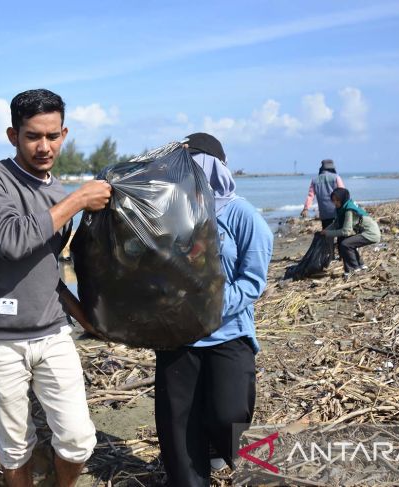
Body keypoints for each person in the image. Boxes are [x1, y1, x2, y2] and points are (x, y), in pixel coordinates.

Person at [0, 88, 111, 486]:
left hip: (52, 333)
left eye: (52, 135)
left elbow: (48, 271)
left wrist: (87, 319)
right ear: (14, 136)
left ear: (64, 133)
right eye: (33, 136)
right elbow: (13, 241)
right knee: (15, 444)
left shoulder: (58, 193)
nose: (44, 146)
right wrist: (79, 199)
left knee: (79, 439)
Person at [154, 133, 273, 486]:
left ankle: (228, 451)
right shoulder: (168, 217)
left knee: (229, 414)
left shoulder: (243, 216)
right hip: (178, 336)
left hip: (229, 333)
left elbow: (253, 282)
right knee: (177, 427)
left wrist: (212, 306)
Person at [320, 187, 381, 276]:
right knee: (344, 242)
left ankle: (354, 269)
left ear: (342, 199)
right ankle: (359, 265)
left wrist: (328, 234)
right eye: (333, 200)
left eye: (337, 200)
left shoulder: (349, 210)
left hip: (371, 233)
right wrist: (325, 230)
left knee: (346, 244)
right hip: (364, 231)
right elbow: (336, 223)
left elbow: (346, 231)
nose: (335, 203)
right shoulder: (343, 207)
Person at [301, 159, 346, 229]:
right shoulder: (336, 177)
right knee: (340, 234)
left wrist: (305, 208)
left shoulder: (315, 180)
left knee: (327, 235)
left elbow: (310, 196)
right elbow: (343, 193)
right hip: (337, 211)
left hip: (324, 214)